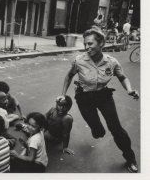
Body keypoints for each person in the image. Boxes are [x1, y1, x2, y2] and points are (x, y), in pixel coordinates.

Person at [58, 27, 139, 173]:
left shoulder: (111, 62)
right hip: (84, 98)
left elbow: (123, 77)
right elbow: (69, 76)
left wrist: (129, 89)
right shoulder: (79, 61)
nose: (86, 47)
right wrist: (63, 94)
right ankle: (96, 129)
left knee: (117, 129)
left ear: (101, 43)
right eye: (85, 44)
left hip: (103, 96)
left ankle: (130, 158)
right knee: (99, 132)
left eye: (90, 44)